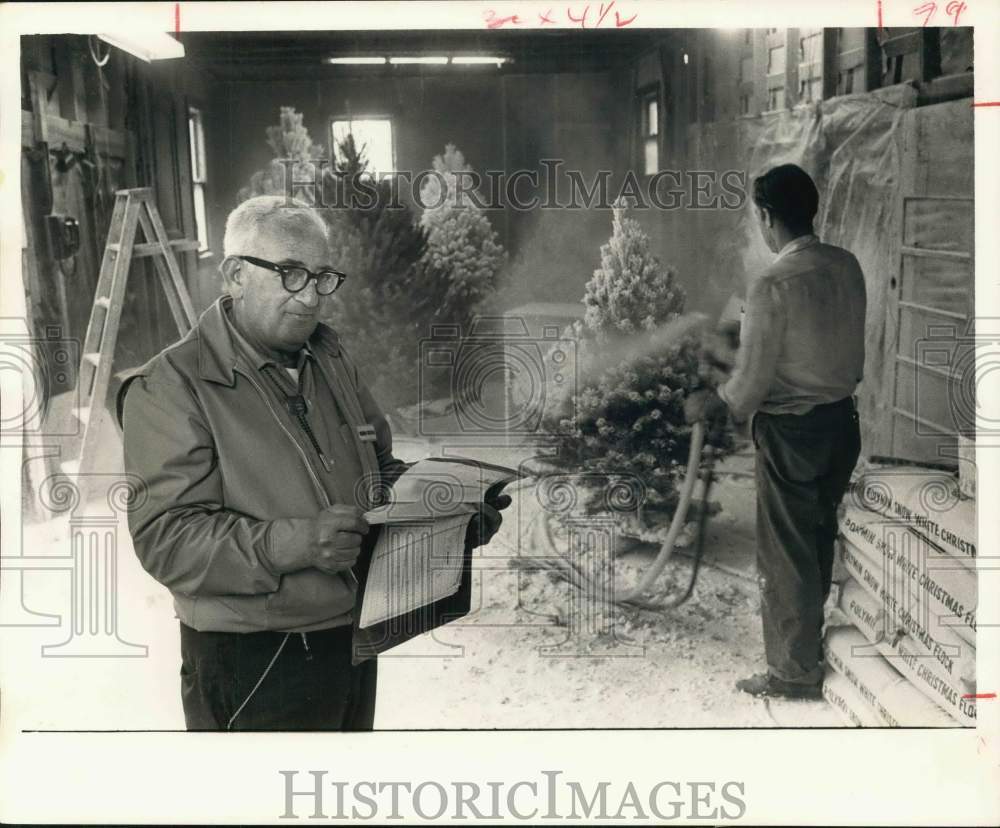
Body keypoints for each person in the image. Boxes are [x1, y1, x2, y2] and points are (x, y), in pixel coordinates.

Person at [119, 196, 504, 730]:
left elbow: (378, 474)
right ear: (235, 274)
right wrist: (299, 542)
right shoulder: (171, 386)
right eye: (290, 274)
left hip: (347, 640)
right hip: (249, 657)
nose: (310, 297)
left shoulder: (329, 358)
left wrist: (452, 513)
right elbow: (166, 541)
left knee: (336, 803)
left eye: (322, 277)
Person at [685, 164, 866, 700]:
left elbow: (747, 390)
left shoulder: (771, 284)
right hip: (842, 423)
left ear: (766, 216)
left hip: (792, 433)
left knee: (785, 554)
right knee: (814, 539)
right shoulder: (846, 264)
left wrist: (709, 400)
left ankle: (791, 671)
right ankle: (811, 648)